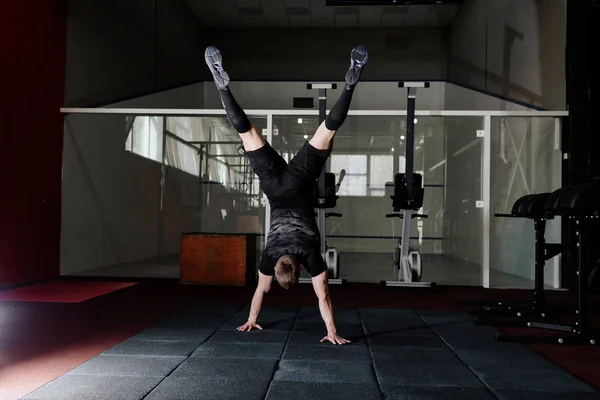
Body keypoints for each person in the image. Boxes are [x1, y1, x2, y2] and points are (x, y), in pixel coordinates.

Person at [204, 45, 368, 345]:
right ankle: (222, 88)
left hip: (300, 181)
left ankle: (350, 83)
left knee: (327, 131)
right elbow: (260, 291)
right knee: (248, 134)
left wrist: (331, 332)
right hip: (274, 188)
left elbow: (324, 296)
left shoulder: (310, 256)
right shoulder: (269, 257)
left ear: (300, 268)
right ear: (282, 263)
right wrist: (251, 318)